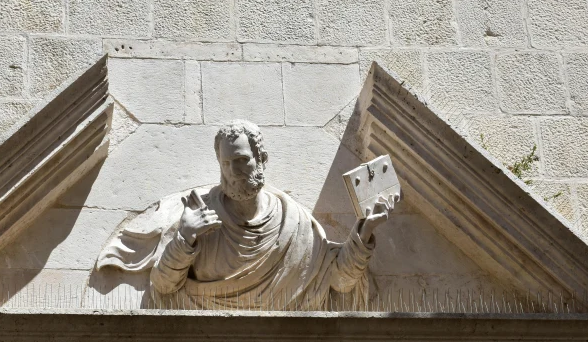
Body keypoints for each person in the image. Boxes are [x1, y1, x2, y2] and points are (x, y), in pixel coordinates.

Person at [140, 120, 396, 310]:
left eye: (241, 160)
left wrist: (364, 231)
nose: (233, 171)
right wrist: (185, 238)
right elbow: (163, 286)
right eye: (226, 164)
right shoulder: (202, 217)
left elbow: (339, 280)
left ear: (261, 159)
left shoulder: (294, 224)